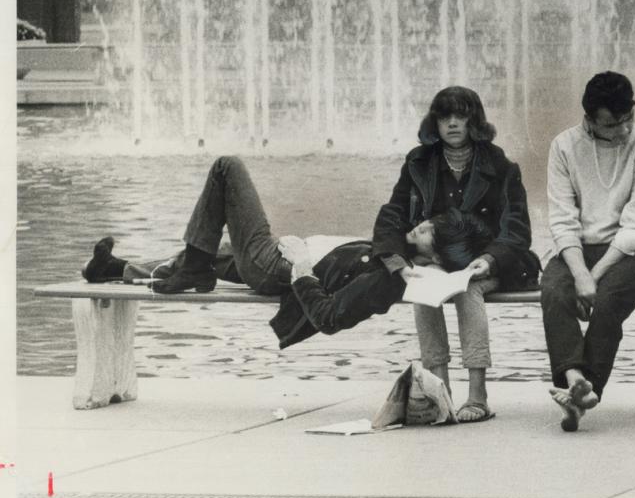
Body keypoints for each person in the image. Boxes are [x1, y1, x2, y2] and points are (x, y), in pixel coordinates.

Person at [80, 155, 431, 349]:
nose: (424, 224)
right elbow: (393, 212)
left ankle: (195, 271)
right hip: (281, 257)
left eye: (432, 232)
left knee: (227, 168)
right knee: (202, 248)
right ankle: (112, 269)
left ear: (437, 255)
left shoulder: (388, 278)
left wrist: (302, 265)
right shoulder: (393, 250)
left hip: (277, 266)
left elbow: (329, 318)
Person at [372, 85, 540, 425]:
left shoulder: (501, 165)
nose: (452, 124)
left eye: (460, 116)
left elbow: (517, 227)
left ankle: (478, 395)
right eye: (444, 116)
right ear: (434, 121)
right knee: (421, 289)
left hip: (487, 260)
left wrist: (490, 259)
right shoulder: (418, 161)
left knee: (468, 290)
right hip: (436, 261)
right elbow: (392, 215)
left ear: (473, 120)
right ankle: (439, 393)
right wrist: (397, 262)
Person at [539, 71, 635, 431]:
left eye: (628, 119)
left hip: (631, 253)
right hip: (577, 249)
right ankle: (577, 380)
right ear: (589, 119)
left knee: (608, 299)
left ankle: (583, 390)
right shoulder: (564, 146)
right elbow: (563, 221)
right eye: (612, 124)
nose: (623, 130)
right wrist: (578, 272)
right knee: (553, 290)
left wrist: (591, 277)